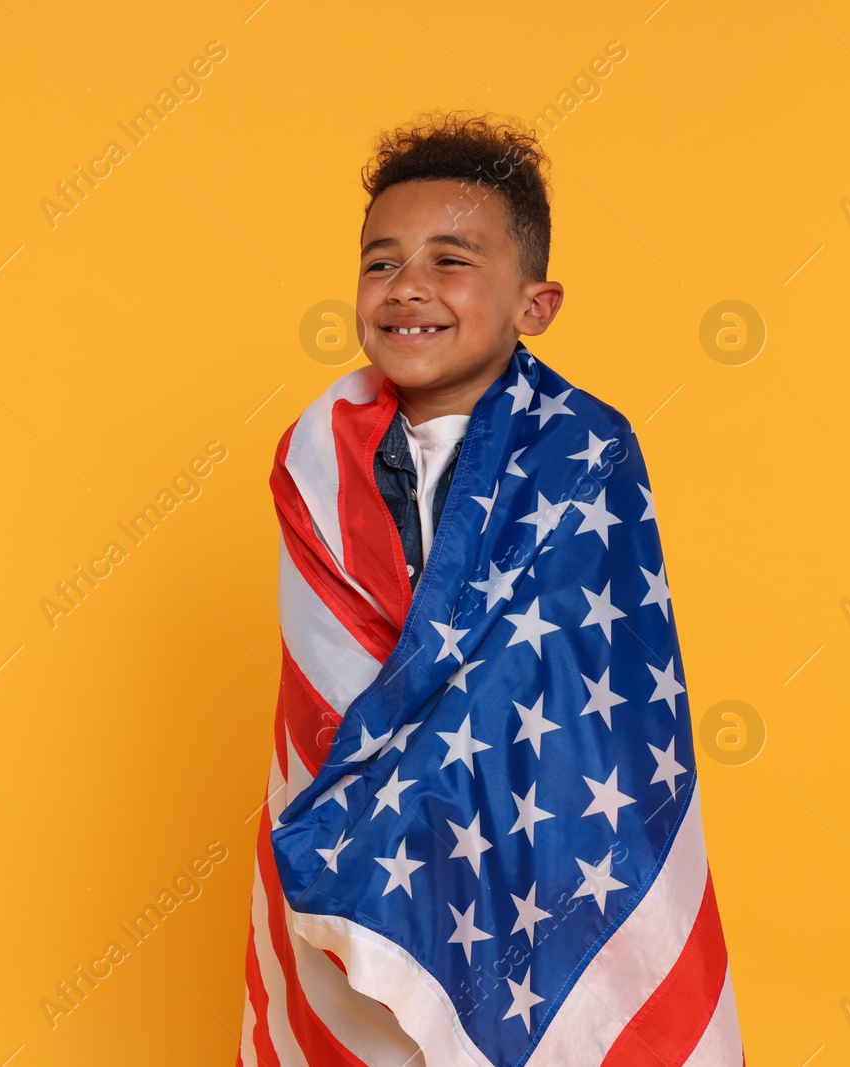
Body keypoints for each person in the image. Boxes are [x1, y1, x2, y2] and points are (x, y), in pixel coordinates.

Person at [239, 112, 742, 1066]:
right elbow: (335, 683)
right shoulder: (321, 451)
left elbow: (575, 677)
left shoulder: (584, 453)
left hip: (537, 836)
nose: (408, 288)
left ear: (535, 304)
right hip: (369, 845)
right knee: (377, 1036)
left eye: (451, 259)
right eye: (379, 263)